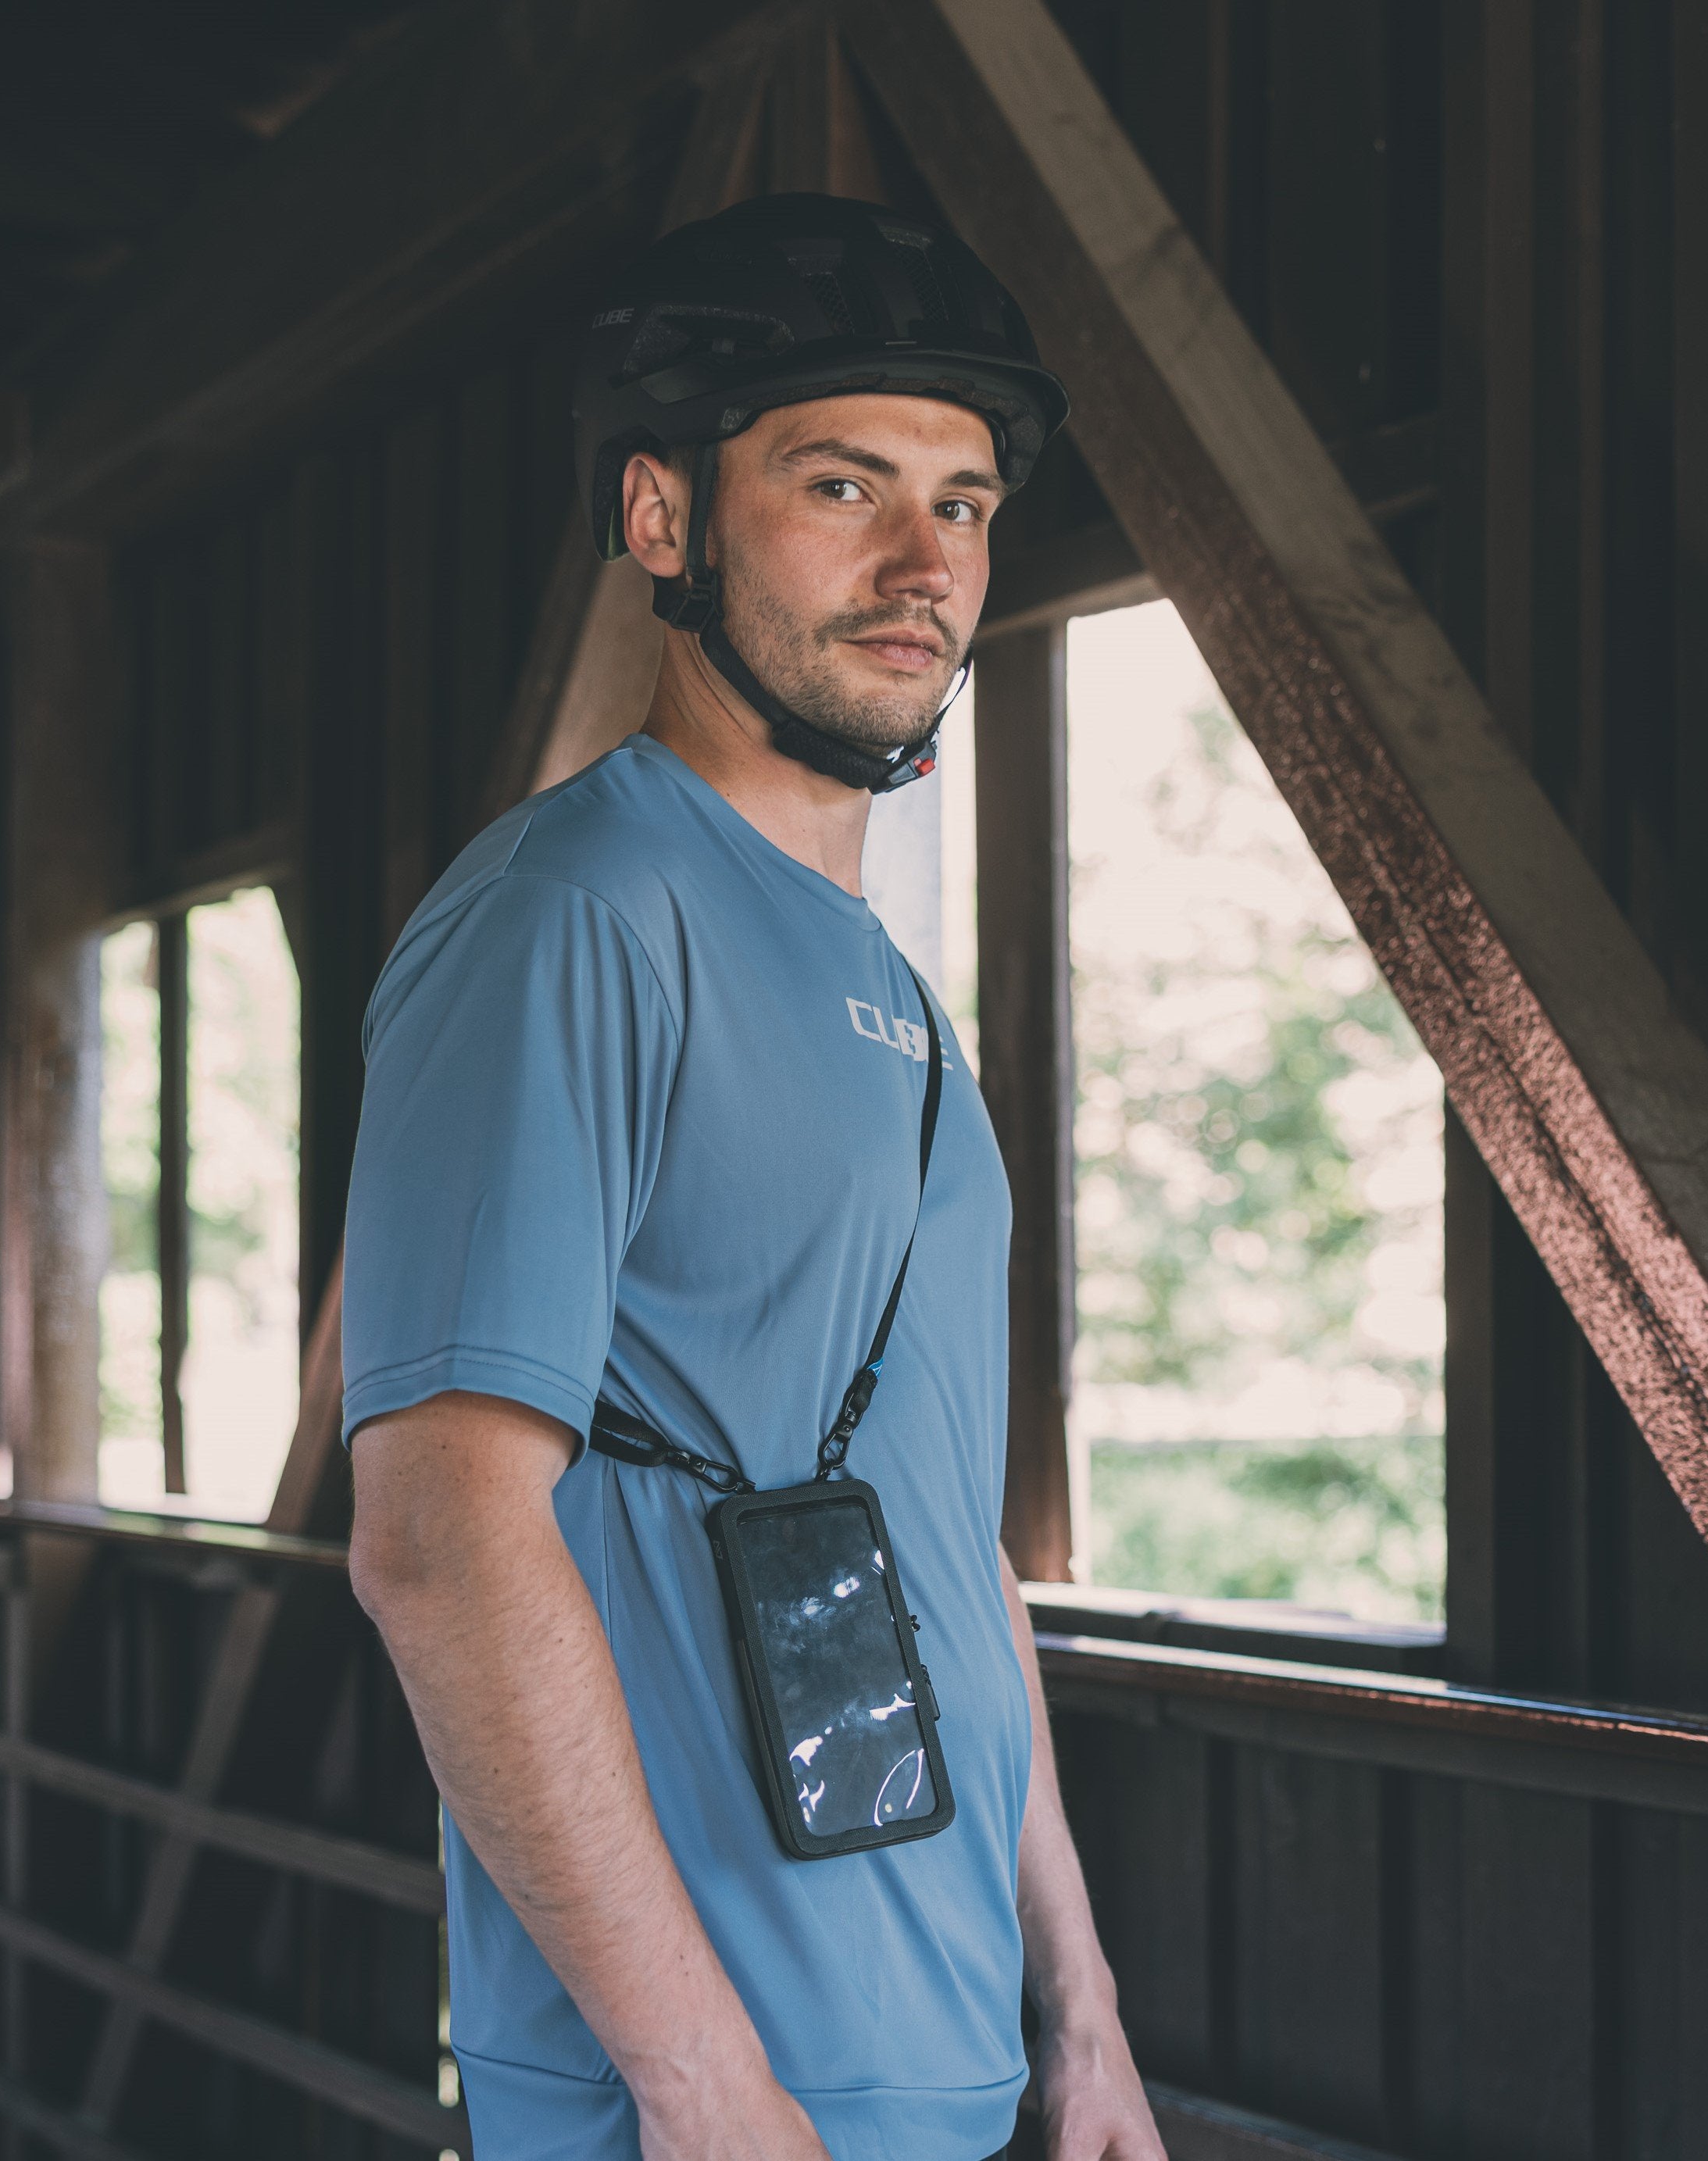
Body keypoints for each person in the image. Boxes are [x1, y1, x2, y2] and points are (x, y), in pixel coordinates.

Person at [341, 194, 1167, 2161]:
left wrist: (1080, 2016)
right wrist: (704, 2090)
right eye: (841, 483)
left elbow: (947, 1551)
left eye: (962, 505)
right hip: (709, 2099)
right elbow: (440, 1540)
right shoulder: (573, 916)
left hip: (938, 2064)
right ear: (662, 519)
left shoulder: (897, 1009)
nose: (923, 562)